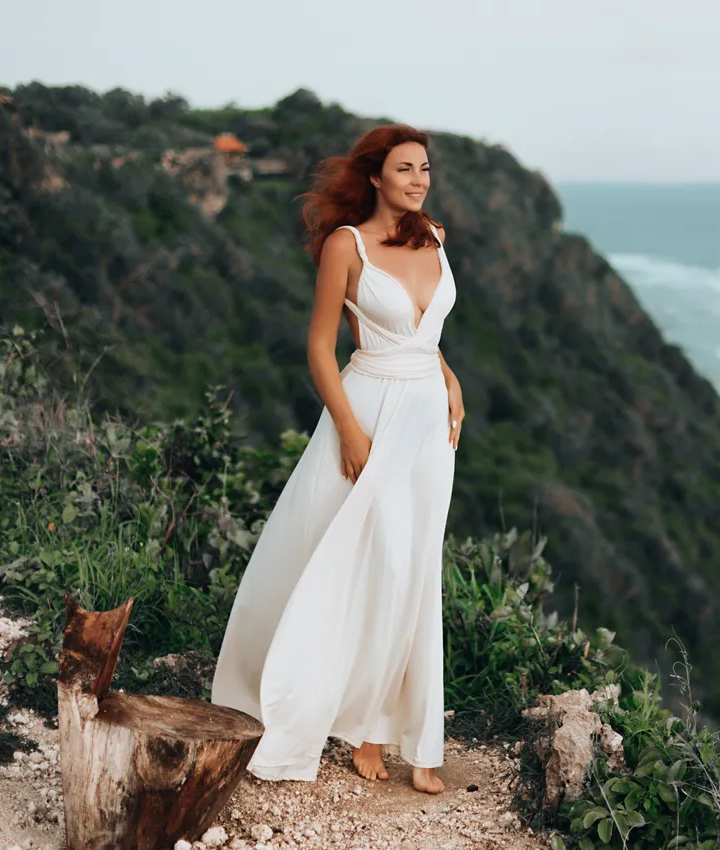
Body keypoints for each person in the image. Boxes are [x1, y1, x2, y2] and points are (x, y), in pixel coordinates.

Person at [210, 124, 463, 796]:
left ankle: (406, 735)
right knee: (370, 560)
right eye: (405, 169)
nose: (419, 180)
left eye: (425, 168)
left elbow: (424, 334)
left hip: (429, 427)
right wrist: (349, 429)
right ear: (375, 176)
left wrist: (450, 379)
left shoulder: (436, 238)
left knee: (414, 569)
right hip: (369, 413)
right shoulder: (345, 245)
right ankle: (357, 722)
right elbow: (321, 346)